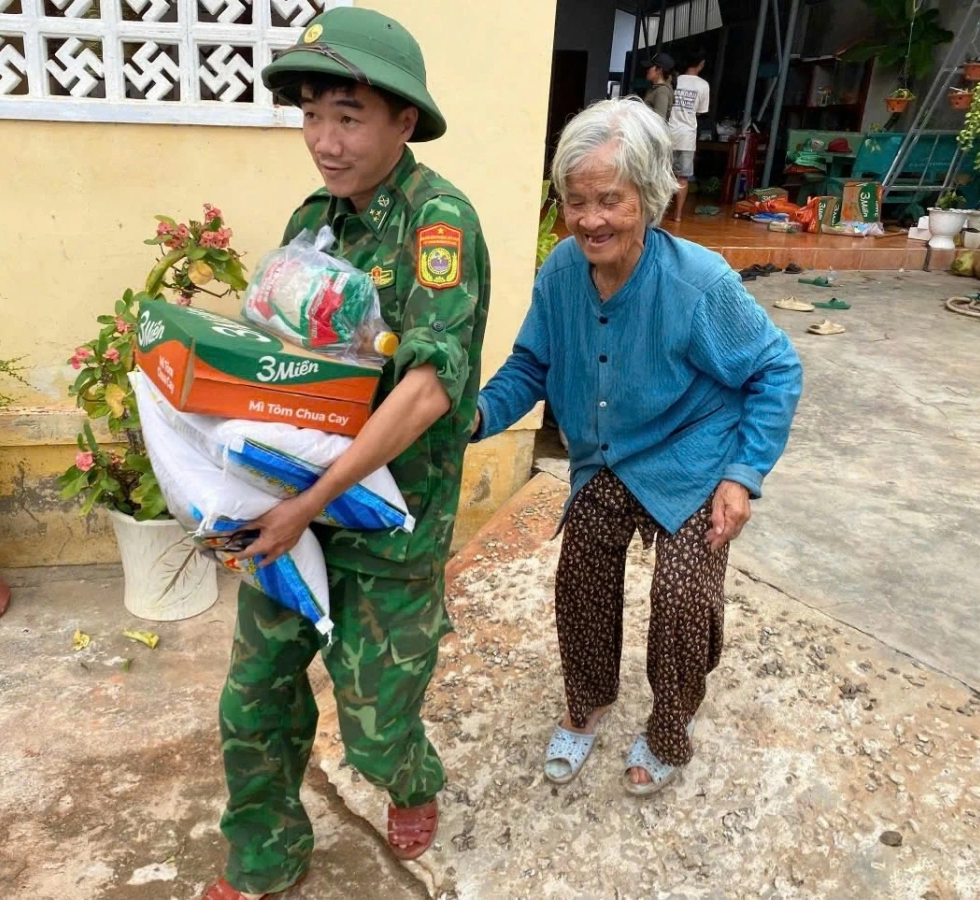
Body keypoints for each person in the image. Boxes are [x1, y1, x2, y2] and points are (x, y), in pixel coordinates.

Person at [204, 8, 490, 900]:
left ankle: (411, 777)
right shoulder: (313, 216)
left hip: (390, 521)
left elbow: (430, 388)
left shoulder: (438, 225)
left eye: (348, 116)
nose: (324, 141)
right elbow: (281, 355)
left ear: (404, 120)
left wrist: (310, 498)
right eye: (311, 115)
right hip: (293, 507)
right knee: (253, 695)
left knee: (370, 724)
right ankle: (262, 861)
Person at [471, 99, 801, 796]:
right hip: (609, 455)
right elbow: (531, 365)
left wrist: (742, 475)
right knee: (581, 572)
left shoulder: (700, 282)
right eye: (575, 201)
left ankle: (670, 729)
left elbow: (777, 368)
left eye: (610, 200)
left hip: (693, 454)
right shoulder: (562, 270)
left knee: (681, 597)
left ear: (649, 198)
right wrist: (472, 418)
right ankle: (586, 701)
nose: (590, 219)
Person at [669, 51, 711, 222]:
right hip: (687, 136)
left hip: (668, 133)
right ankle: (678, 215)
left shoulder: (674, 80)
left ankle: (659, 212)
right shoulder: (703, 85)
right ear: (701, 64)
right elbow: (701, 112)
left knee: (665, 175)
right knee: (683, 177)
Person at [641, 53, 676, 123]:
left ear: (659, 70)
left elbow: (659, 121)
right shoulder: (656, 88)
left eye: (650, 67)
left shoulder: (662, 91)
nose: (647, 70)